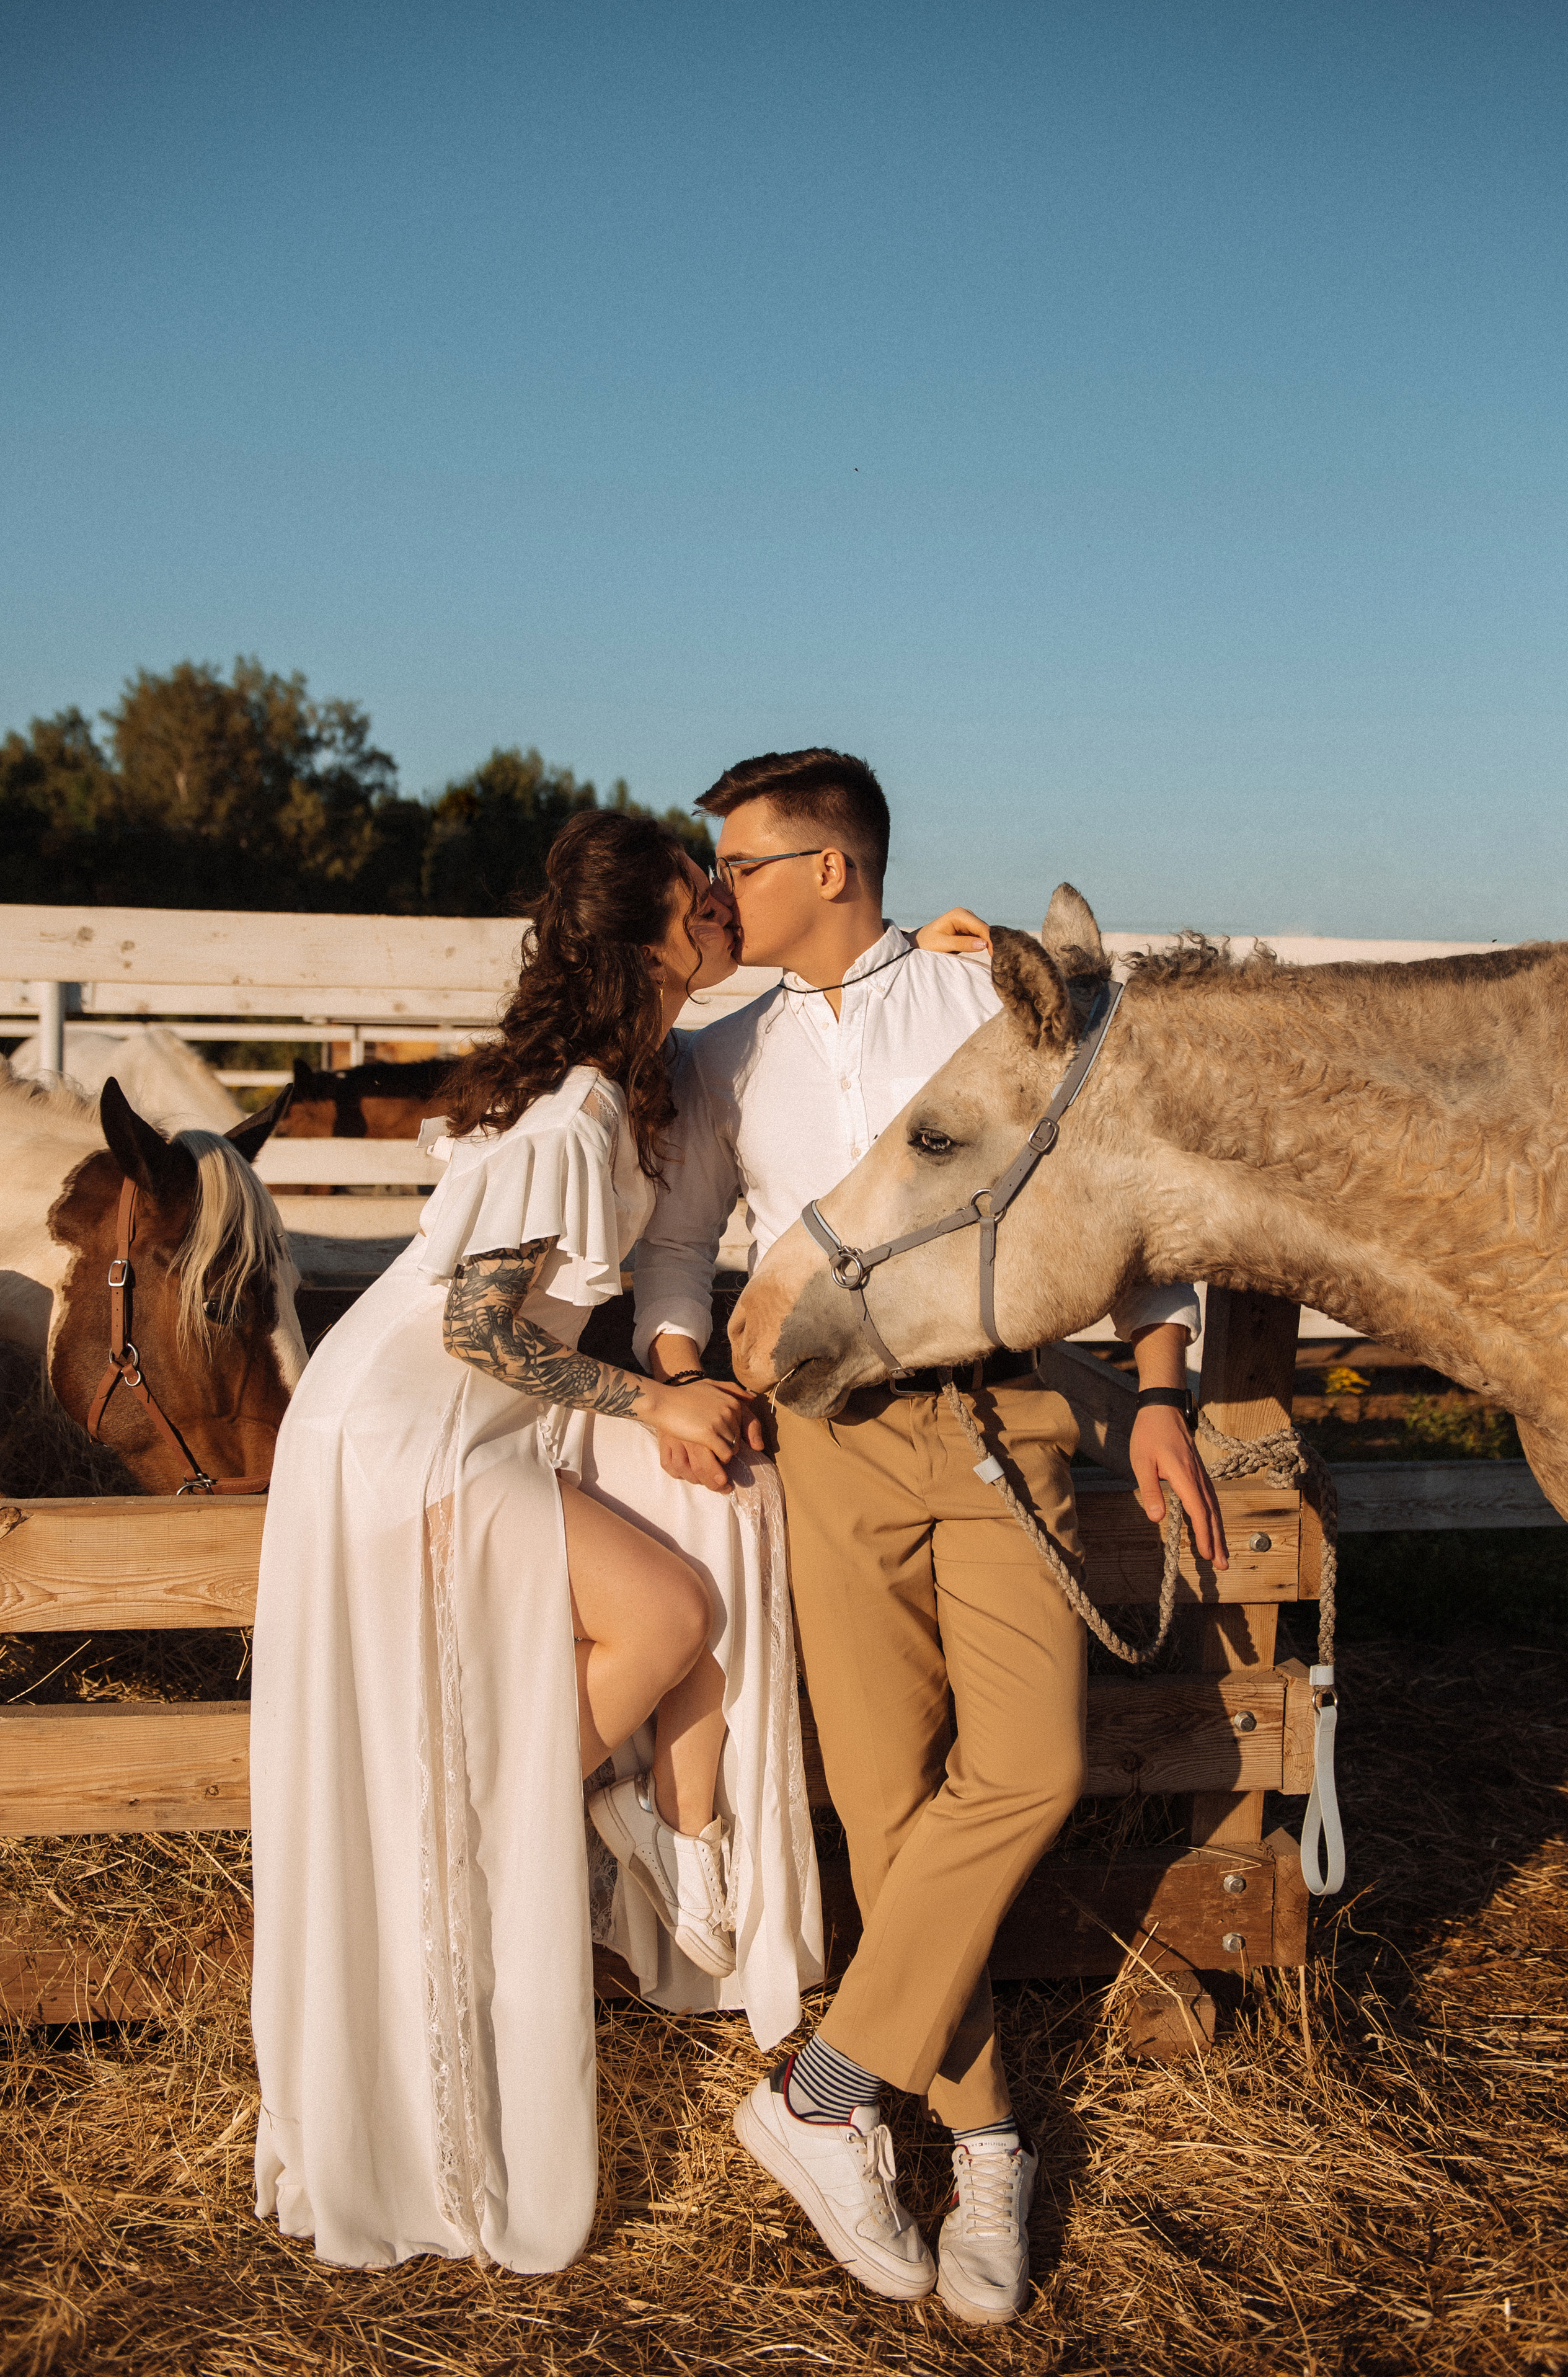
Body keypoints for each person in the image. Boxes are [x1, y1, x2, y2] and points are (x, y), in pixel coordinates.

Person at [631, 749, 1228, 2326]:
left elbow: (1124, 1210)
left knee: (1028, 1765)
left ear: (833, 865)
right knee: (885, 1809)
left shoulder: (975, 1005)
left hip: (997, 1419)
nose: (718, 893)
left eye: (740, 865)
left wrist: (1156, 1394)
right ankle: (981, 2141)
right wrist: (682, 1375)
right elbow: (684, 1251)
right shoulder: (722, 1053)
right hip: (814, 1444)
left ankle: (821, 2088)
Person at [250, 807, 828, 2275]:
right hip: (409, 1428)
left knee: (660, 1612)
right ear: (644, 934)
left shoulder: (617, 1084)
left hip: (451, 1424)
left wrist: (928, 958)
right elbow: (472, 1326)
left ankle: (573, 1816)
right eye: (701, 902)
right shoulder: (572, 1117)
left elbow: (798, 1008)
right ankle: (575, 1816)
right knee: (667, 1617)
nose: (722, 919)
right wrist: (656, 1401)